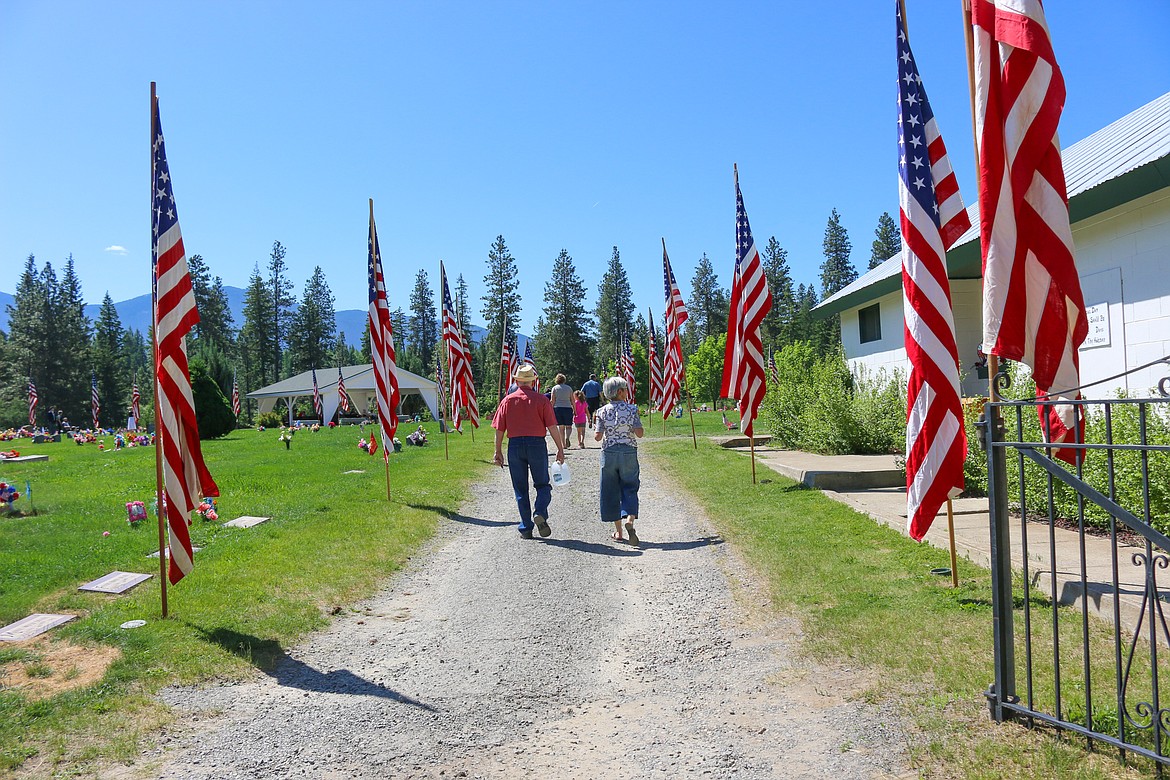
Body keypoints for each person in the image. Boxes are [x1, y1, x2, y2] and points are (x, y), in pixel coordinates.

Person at [493, 364, 566, 539]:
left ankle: (526, 528)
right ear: (533, 382)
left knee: (520, 488)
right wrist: (560, 449)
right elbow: (552, 427)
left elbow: (499, 429)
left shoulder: (507, 400)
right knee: (542, 485)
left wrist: (497, 451)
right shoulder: (542, 400)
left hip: (515, 445)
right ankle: (539, 511)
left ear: (517, 381)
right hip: (536, 445)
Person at [594, 376, 644, 544]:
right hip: (628, 451)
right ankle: (630, 519)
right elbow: (639, 433)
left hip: (609, 452)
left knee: (610, 489)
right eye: (625, 389)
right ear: (620, 392)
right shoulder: (632, 409)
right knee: (630, 486)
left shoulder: (601, 412)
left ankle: (619, 531)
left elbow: (597, 437)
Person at [549, 373, 575, 448]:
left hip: (558, 408)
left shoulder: (555, 388)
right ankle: (568, 437)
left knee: (561, 427)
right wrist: (575, 410)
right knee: (569, 426)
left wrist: (551, 409)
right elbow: (572, 400)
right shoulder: (569, 388)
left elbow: (552, 400)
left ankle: (563, 444)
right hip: (567, 407)